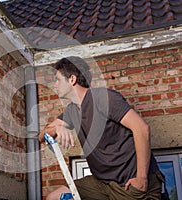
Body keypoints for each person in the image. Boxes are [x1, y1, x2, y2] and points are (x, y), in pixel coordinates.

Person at [39, 56, 164, 200]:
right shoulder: (72, 110)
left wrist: (141, 179)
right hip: (103, 184)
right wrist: (56, 129)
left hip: (129, 183)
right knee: (55, 197)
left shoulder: (103, 98)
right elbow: (41, 136)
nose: (55, 85)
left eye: (58, 80)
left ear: (72, 79)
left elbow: (142, 129)